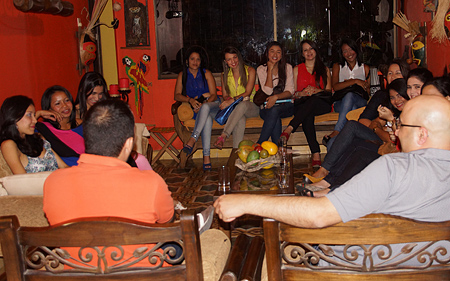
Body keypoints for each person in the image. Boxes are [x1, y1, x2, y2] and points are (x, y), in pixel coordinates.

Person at [215, 94, 450, 267]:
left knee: (252, 254)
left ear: (422, 134)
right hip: (424, 268)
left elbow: (318, 215)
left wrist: (244, 203)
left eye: (401, 125)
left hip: (350, 268)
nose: (396, 132)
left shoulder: (393, 168)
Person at [44, 99, 221, 268]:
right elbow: (166, 221)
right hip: (142, 272)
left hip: (78, 272)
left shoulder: (53, 183)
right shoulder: (150, 183)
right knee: (184, 243)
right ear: (129, 144)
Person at [306, 60, 409, 183]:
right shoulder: (382, 95)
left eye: (397, 73)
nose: (393, 76)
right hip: (375, 133)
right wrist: (378, 128)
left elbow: (393, 137)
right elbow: (368, 121)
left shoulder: (408, 98)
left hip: (391, 142)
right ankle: (327, 176)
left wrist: (382, 126)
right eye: (390, 73)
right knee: (342, 135)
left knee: (350, 138)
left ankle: (329, 178)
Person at [279, 40, 332, 167]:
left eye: (311, 49)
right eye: (305, 50)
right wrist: (301, 93)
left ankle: (289, 129)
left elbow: (329, 91)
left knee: (312, 100)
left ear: (316, 50)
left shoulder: (324, 69)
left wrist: (316, 90)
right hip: (302, 104)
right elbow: (293, 94)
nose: (309, 52)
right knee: (307, 113)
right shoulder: (296, 69)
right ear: (302, 54)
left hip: (321, 103)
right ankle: (316, 153)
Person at [174, 46, 218, 171]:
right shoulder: (183, 75)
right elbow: (176, 95)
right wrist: (190, 100)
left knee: (206, 110)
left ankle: (193, 139)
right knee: (207, 119)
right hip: (197, 108)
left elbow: (214, 95)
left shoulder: (206, 73)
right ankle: (206, 157)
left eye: (198, 59)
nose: (195, 62)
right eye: (192, 59)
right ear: (187, 61)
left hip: (213, 104)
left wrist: (205, 104)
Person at [0, 95, 67, 174]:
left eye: (34, 115)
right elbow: (22, 179)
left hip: (59, 182)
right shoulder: (9, 144)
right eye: (29, 115)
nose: (35, 120)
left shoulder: (38, 138)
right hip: (38, 185)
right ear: (14, 117)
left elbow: (64, 166)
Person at [324, 39, 370, 149]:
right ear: (342, 53)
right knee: (351, 105)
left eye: (351, 50)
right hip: (340, 103)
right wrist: (355, 81)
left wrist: (360, 85)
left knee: (351, 98)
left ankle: (337, 131)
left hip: (360, 101)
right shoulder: (338, 66)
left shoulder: (364, 68)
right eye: (345, 51)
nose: (348, 54)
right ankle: (350, 142)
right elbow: (335, 86)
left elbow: (367, 92)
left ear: (356, 50)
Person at [213, 46, 257, 149]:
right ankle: (236, 153)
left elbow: (247, 92)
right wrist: (228, 100)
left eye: (235, 57)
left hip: (251, 106)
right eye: (229, 59)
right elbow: (224, 95)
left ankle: (223, 135)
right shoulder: (224, 75)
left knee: (243, 104)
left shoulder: (250, 71)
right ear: (225, 62)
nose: (233, 61)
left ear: (239, 57)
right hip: (236, 110)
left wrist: (232, 100)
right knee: (240, 119)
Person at [257, 41, 295, 145]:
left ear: (282, 54)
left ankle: (260, 143)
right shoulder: (261, 69)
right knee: (274, 114)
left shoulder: (287, 68)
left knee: (274, 111)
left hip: (285, 105)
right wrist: (269, 69)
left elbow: (290, 91)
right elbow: (268, 91)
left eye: (278, 52)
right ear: (267, 54)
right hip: (267, 107)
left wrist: (276, 97)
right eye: (272, 51)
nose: (275, 55)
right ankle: (279, 148)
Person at [36, 85, 84, 166]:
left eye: (67, 100)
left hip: (87, 170)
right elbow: (20, 131)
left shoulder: (82, 125)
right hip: (63, 173)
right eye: (58, 103)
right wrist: (39, 113)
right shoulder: (43, 128)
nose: (65, 106)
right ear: (49, 109)